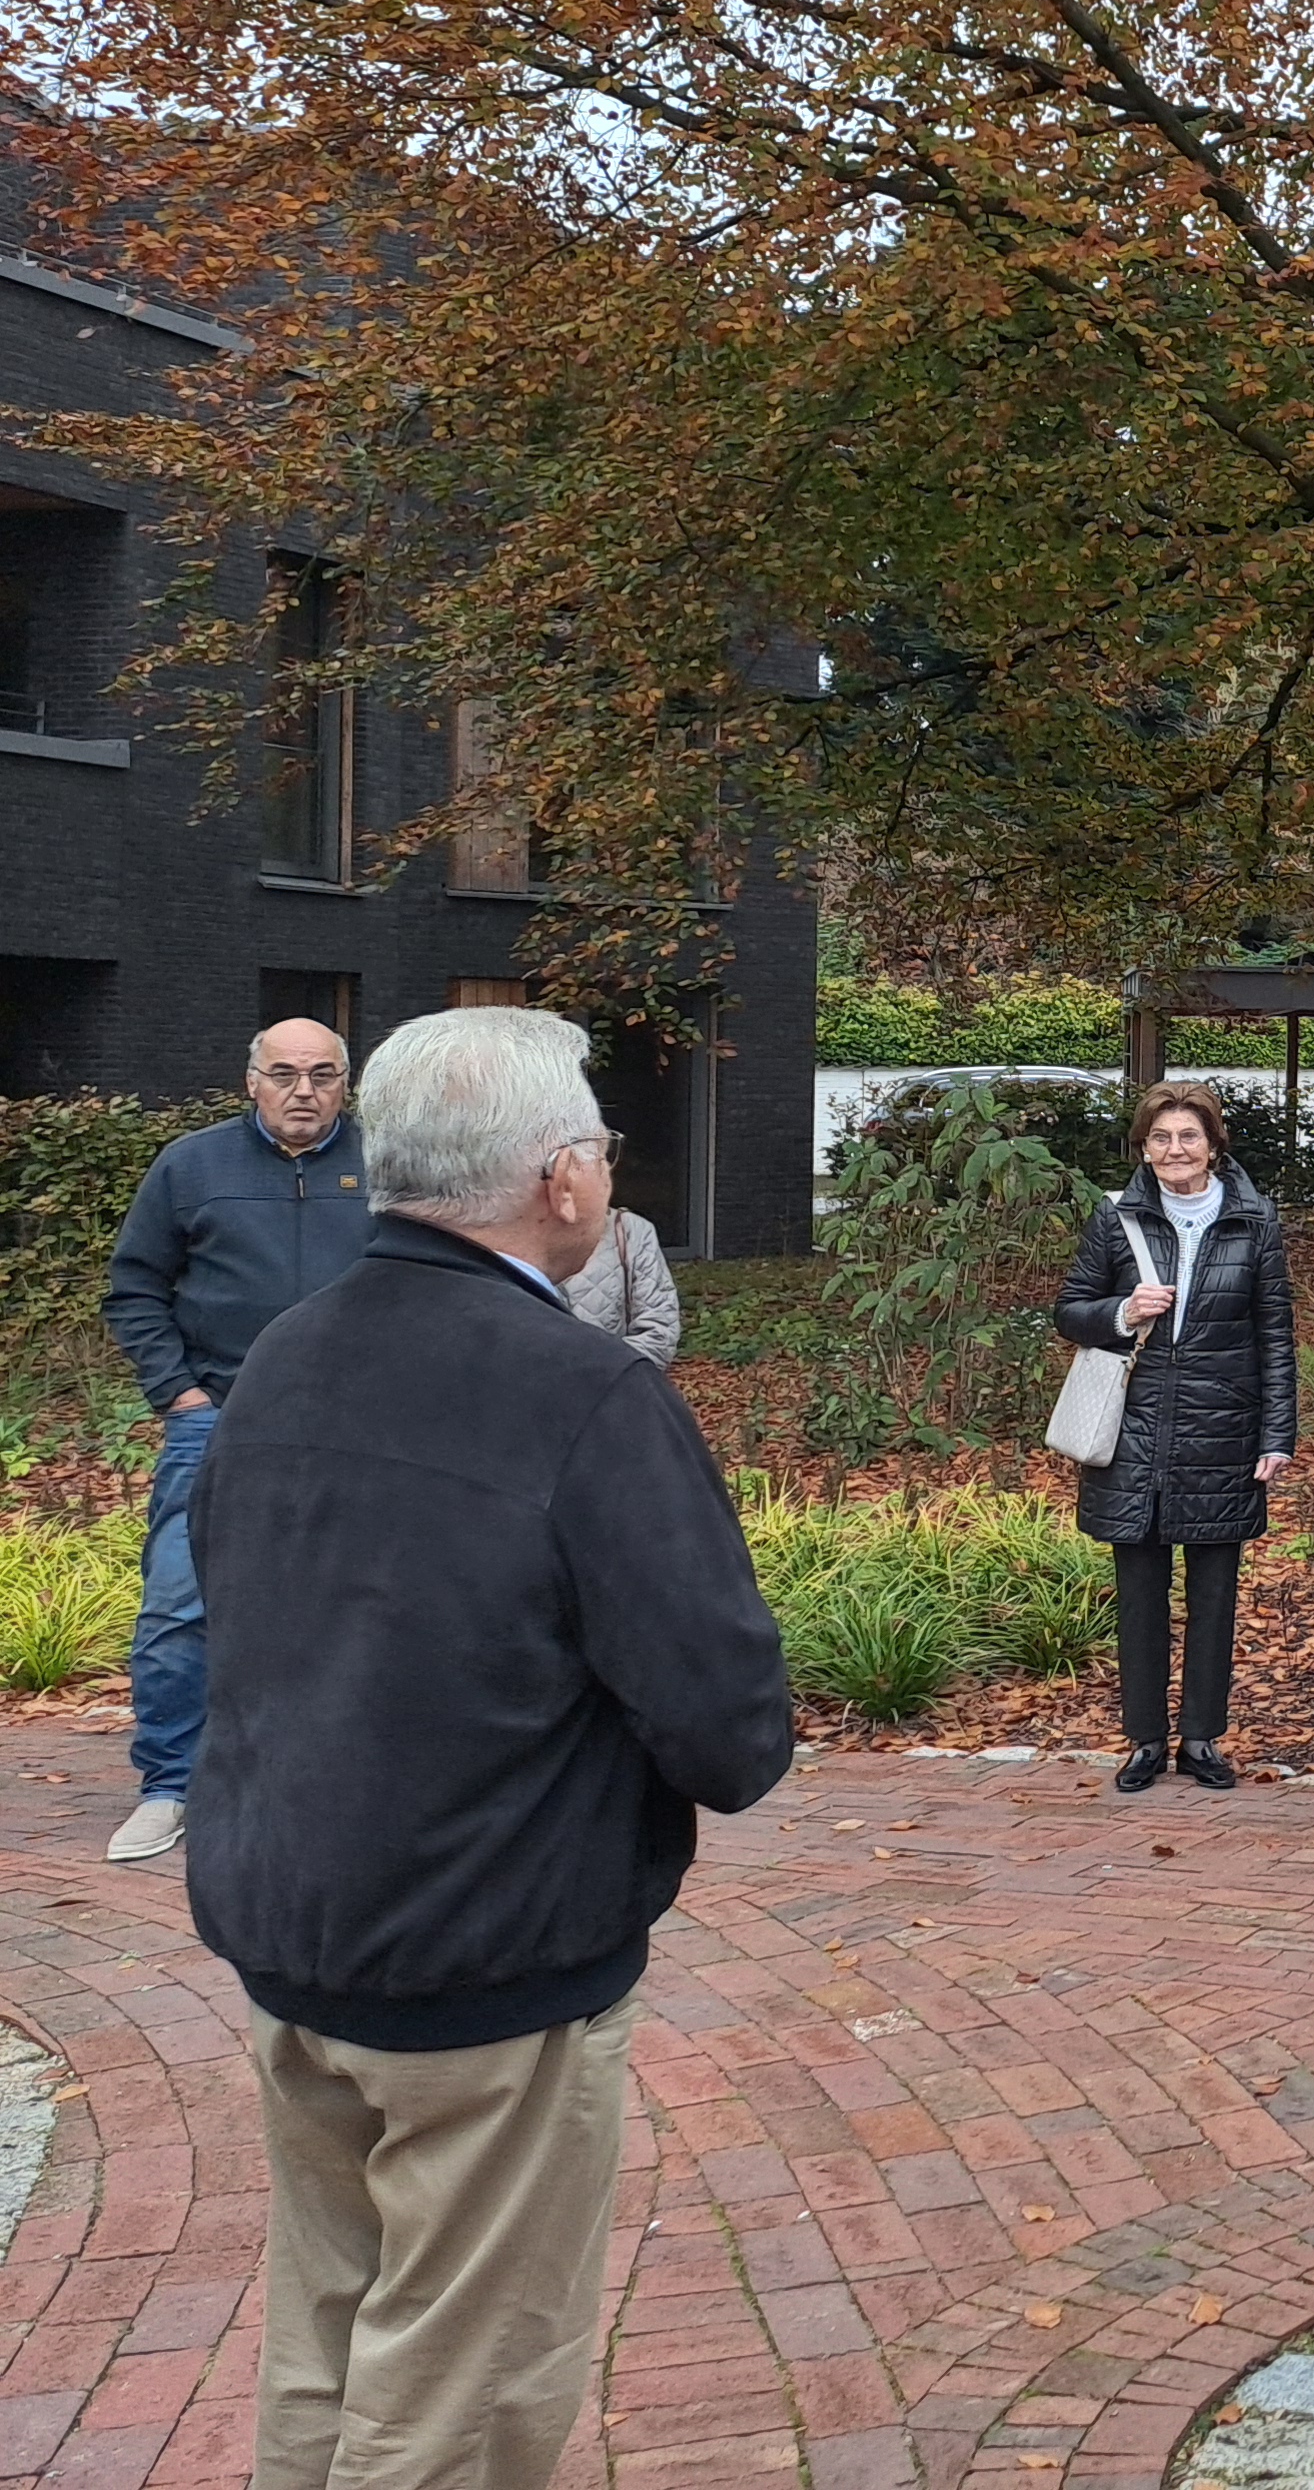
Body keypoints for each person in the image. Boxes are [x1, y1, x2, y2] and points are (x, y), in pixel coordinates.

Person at [185, 1004, 793, 2490]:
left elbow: (239, 1609)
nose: (597, 1166)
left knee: (332, 2332)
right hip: (491, 1976)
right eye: (590, 1138)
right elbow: (726, 1729)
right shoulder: (586, 1394)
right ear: (559, 1181)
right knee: (463, 2388)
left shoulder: (281, 1359)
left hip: (293, 1939)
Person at [99, 1016, 372, 1865]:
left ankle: (335, 1778)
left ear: (344, 1083)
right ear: (250, 1080)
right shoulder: (192, 1167)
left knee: (357, 1602)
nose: (304, 1091)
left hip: (354, 1426)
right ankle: (171, 1786)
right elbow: (134, 1287)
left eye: (323, 1075)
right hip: (217, 1420)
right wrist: (178, 1395)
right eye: (286, 1073)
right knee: (181, 1606)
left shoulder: (389, 1169)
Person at [1053, 1083, 1296, 1791]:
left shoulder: (1255, 1221)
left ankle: (1201, 1738)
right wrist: (1123, 1311)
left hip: (1223, 1425)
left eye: (1188, 1136)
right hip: (1135, 1427)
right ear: (1144, 1148)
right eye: (1160, 1139)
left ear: (1214, 1145)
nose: (1174, 1150)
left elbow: (1274, 1333)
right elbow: (1070, 1310)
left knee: (1214, 1593)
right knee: (1140, 1591)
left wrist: (1276, 1432)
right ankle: (1145, 1741)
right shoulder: (1116, 1217)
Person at [563, 1198, 683, 1366]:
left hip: (608, 1384)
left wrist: (599, 1371)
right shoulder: (516, 1233)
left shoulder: (631, 1231)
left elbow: (659, 1333)